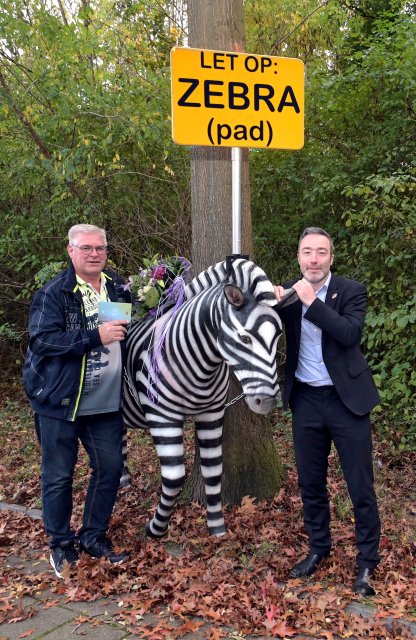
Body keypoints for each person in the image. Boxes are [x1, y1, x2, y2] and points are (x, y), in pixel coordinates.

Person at [274, 226, 381, 596]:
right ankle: (318, 548)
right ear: (299, 257)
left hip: (346, 400)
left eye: (321, 252)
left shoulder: (350, 291)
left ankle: (367, 562)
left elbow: (349, 334)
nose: (314, 259)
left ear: (331, 258)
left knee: (360, 486)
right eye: (307, 252)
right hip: (305, 400)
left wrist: (311, 302)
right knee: (310, 484)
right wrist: (268, 303)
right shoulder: (288, 293)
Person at [23, 224, 130, 578]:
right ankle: (60, 544)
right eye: (86, 248)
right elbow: (44, 341)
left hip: (105, 403)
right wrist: (93, 336)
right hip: (60, 402)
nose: (95, 254)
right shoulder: (54, 292)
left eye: (100, 248)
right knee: (58, 476)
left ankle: (93, 536)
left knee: (111, 469)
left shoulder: (116, 287)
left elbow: (123, 336)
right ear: (71, 251)